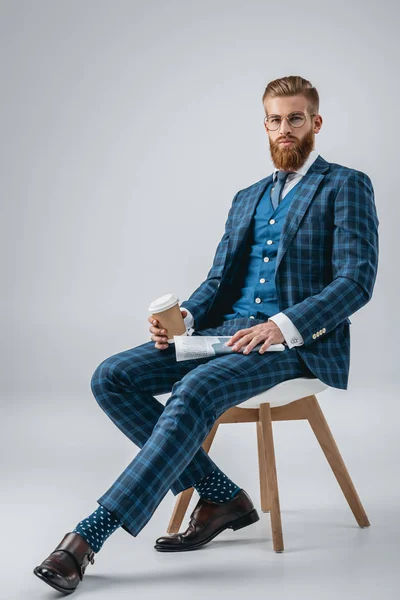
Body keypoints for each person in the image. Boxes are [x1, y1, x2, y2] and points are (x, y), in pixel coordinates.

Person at [33, 75, 379, 595]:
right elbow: (219, 282)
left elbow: (356, 280)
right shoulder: (246, 198)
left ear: (315, 123)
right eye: (275, 119)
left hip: (296, 342)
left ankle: (86, 538)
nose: (285, 129)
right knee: (112, 377)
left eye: (296, 118)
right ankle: (222, 495)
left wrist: (281, 326)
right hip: (222, 334)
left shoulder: (346, 184)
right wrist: (185, 320)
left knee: (194, 391)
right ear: (264, 124)